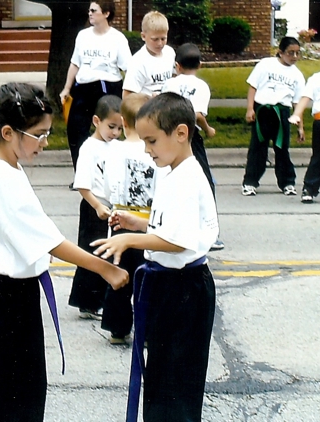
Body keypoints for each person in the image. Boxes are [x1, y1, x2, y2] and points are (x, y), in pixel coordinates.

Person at [0, 83, 128, 422]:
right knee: (14, 393)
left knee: (4, 389)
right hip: (2, 298)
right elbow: (48, 240)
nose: (45, 142)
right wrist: (105, 269)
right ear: (9, 132)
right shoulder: (2, 176)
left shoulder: (4, 165)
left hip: (0, 292)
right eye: (39, 134)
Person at [91, 92, 219, 422]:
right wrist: (141, 224)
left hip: (185, 289)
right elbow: (170, 226)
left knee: (176, 382)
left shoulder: (188, 177)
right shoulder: (171, 169)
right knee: (161, 376)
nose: (146, 150)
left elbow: (178, 242)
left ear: (180, 133)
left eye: (151, 141)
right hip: (169, 286)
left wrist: (130, 240)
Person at [102, 93, 166, 345]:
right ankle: (148, 330)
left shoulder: (113, 151)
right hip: (147, 221)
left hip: (119, 219)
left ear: (123, 123)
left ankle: (117, 328)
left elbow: (106, 187)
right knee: (148, 278)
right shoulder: (155, 152)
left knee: (119, 274)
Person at [59, 0, 132, 178]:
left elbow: (128, 68)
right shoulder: (83, 36)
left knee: (110, 129)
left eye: (94, 10)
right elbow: (75, 64)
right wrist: (66, 88)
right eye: (89, 10)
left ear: (106, 14)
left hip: (108, 86)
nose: (90, 13)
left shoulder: (117, 38)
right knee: (76, 129)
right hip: (84, 87)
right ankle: (83, 175)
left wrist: (129, 94)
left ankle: (109, 172)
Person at [162, 42, 224, 251]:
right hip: (190, 136)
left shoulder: (170, 84)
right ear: (199, 65)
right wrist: (208, 129)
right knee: (204, 179)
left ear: (176, 65)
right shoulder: (202, 87)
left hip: (168, 134)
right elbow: (197, 114)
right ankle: (210, 232)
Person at [68, 94, 123, 321]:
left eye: (120, 128)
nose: (115, 133)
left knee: (111, 252)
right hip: (94, 205)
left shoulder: (118, 147)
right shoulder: (89, 148)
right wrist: (97, 205)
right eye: (111, 127)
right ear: (96, 121)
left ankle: (103, 298)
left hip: (113, 207)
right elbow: (82, 184)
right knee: (93, 252)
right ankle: (87, 301)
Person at [241, 36, 305, 196]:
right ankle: (250, 182)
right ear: (280, 52)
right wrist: (250, 109)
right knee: (258, 148)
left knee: (282, 149)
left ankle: (287, 182)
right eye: (291, 53)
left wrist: (300, 126)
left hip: (282, 112)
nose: (294, 57)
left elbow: (298, 103)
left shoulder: (297, 75)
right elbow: (253, 87)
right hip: (262, 109)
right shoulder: (265, 64)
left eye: (298, 53)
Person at [122, 11, 175, 98]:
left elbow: (174, 77)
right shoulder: (138, 62)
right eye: (155, 39)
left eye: (163, 38)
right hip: (147, 108)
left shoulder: (170, 53)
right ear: (143, 36)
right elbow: (127, 96)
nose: (160, 43)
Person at [289, 71, 320, 203]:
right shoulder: (316, 78)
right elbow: (304, 98)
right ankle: (309, 187)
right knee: (318, 157)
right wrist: (297, 114)